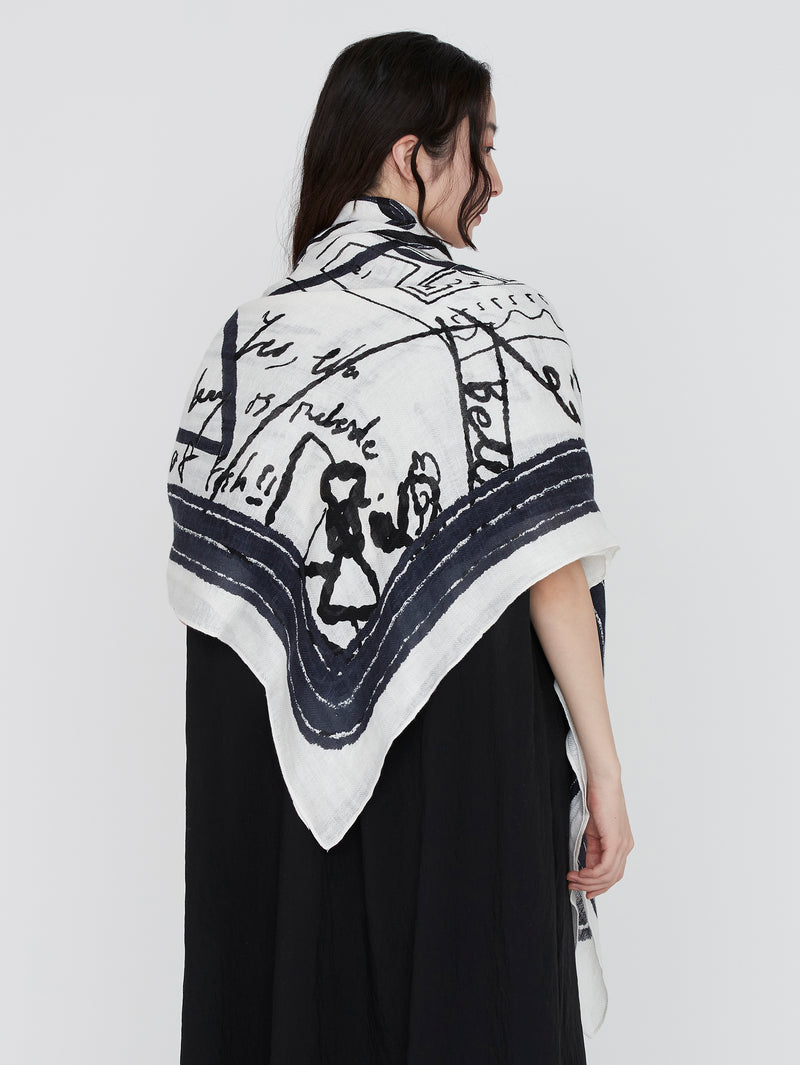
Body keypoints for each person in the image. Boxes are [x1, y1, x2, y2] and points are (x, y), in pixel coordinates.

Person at [167, 30, 633, 1065]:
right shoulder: (504, 320)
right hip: (467, 749)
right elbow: (552, 565)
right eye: (483, 146)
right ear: (411, 154)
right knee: (476, 1000)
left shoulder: (247, 338)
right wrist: (603, 770)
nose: (495, 179)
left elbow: (223, 595)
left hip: (277, 765)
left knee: (302, 997)